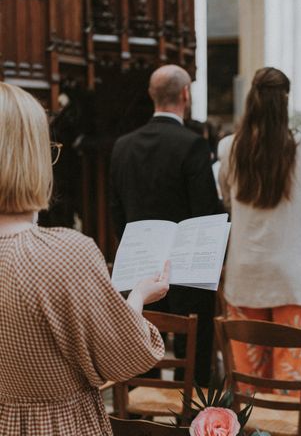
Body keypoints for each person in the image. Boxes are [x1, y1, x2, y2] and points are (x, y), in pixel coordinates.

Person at [0, 82, 169, 435]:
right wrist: (137, 297)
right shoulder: (64, 253)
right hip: (57, 425)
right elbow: (124, 357)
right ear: (33, 156)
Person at [110, 64, 223, 385]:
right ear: (186, 94)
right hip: (186, 270)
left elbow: (116, 210)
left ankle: (142, 418)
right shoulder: (193, 144)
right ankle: (190, 422)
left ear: (151, 95)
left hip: (139, 269)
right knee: (195, 351)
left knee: (140, 348)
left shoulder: (123, 146)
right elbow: (206, 215)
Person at [217, 67, 301, 398]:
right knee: (292, 376)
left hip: (246, 270)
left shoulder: (229, 148)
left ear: (252, 98)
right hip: (294, 273)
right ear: (285, 101)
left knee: (248, 376)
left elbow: (226, 199)